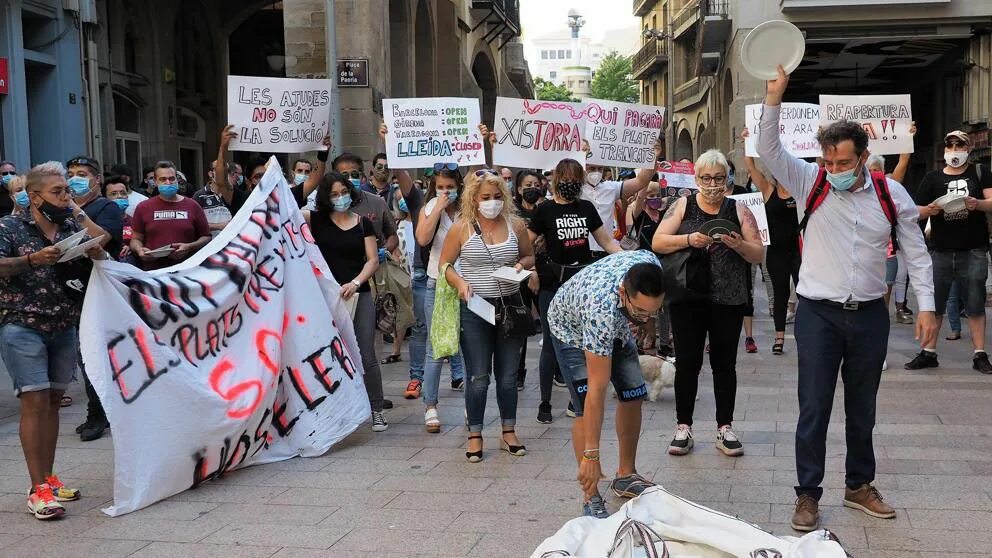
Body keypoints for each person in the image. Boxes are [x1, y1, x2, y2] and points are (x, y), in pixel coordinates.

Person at [758, 65, 937, 532]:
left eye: (842, 163)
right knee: (813, 406)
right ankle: (807, 494)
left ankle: (859, 484)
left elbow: (916, 251)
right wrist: (775, 97)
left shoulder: (889, 192)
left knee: (863, 407)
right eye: (827, 162)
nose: (833, 171)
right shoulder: (808, 184)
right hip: (818, 314)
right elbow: (768, 149)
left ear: (863, 158)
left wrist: (926, 306)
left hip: (870, 317)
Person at [0, 161, 110, 519]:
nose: (66, 196)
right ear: (34, 196)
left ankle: (48, 476)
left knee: (51, 401)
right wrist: (31, 260)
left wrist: (78, 218)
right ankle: (37, 490)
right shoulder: (9, 226)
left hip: (63, 323)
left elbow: (102, 240)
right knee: (33, 400)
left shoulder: (67, 225)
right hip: (22, 323)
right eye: (58, 192)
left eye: (67, 191)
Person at [653, 149, 765, 458]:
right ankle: (683, 427)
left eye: (718, 178)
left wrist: (739, 245)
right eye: (706, 178)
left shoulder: (738, 210)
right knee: (688, 362)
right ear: (696, 179)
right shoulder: (682, 205)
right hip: (688, 297)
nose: (712, 184)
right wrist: (688, 240)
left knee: (724, 363)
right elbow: (659, 241)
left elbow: (758, 254)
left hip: (728, 298)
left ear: (727, 179)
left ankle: (724, 427)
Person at [547, 250, 665, 518]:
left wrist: (639, 317)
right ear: (624, 292)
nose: (646, 318)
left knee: (634, 393)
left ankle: (626, 474)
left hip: (617, 326)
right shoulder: (600, 309)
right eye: (641, 311)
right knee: (584, 403)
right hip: (572, 330)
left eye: (654, 311)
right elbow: (597, 391)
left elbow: (641, 310)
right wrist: (592, 454)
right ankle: (591, 494)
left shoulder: (651, 266)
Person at [439, 168, 535, 460]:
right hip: (476, 309)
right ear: (473, 198)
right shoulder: (461, 227)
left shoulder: (515, 224)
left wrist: (522, 267)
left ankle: (508, 430)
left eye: (496, 196)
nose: (491, 202)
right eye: (485, 197)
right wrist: (460, 283)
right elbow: (445, 265)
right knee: (479, 376)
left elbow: (528, 255)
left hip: (510, 306)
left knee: (508, 376)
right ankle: (475, 433)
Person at [529, 159, 621, 424]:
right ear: (556, 180)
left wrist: (626, 257)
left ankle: (576, 397)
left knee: (581, 343)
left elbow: (605, 240)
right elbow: (527, 241)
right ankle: (545, 402)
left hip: (580, 284)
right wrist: (530, 268)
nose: (571, 185)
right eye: (567, 179)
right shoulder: (545, 210)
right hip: (552, 283)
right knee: (550, 344)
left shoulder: (586, 208)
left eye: (575, 180)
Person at [303, 171, 388, 432]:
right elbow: (285, 212)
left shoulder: (363, 223)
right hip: (324, 297)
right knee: (326, 353)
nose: (341, 198)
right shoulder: (314, 219)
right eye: (335, 194)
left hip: (357, 295)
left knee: (366, 353)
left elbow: (372, 260)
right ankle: (331, 411)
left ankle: (376, 409)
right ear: (326, 198)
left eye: (344, 193)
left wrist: (356, 283)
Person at [906, 130, 992, 373]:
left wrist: (978, 205)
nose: (955, 150)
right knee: (935, 302)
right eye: (951, 146)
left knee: (975, 301)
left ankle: (979, 353)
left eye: (959, 145)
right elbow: (915, 210)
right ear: (945, 150)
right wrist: (930, 210)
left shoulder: (980, 172)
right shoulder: (932, 178)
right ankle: (929, 352)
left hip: (973, 249)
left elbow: (991, 201)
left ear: (968, 149)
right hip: (940, 250)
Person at [414, 164, 467, 431]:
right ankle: (430, 405)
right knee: (435, 348)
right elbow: (422, 238)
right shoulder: (431, 207)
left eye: (450, 187)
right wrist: (437, 206)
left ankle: (473, 404)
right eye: (441, 187)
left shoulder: (468, 208)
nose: (446, 192)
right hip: (438, 282)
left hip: (469, 283)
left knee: (470, 346)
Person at [741, 130, 801, 355]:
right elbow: (751, 167)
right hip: (776, 252)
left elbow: (820, 166)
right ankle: (779, 338)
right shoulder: (768, 190)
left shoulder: (801, 190)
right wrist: (749, 141)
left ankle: (806, 335)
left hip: (799, 251)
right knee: (780, 293)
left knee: (805, 293)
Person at [867, 124, 916, 325]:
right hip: (865, 252)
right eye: (870, 170)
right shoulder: (851, 189)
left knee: (883, 297)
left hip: (887, 253)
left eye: (877, 170)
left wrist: (907, 137)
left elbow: (903, 162)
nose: (874, 174)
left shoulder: (890, 187)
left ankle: (880, 327)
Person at [130, 161, 212, 270]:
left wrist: (189, 247)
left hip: (187, 270)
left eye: (171, 178)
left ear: (177, 180)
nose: (168, 182)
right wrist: (139, 250)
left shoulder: (192, 205)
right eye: (163, 179)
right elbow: (135, 239)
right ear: (155, 181)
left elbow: (206, 237)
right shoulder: (143, 207)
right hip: (154, 272)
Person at [512, 169, 544, 389]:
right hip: (520, 273)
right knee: (521, 325)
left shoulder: (546, 210)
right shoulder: (511, 213)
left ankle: (557, 371)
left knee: (551, 321)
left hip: (545, 273)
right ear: (519, 188)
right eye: (528, 185)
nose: (532, 188)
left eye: (536, 184)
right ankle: (517, 372)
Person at [103, 176, 135, 262]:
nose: (119, 196)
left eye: (123, 193)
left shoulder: (134, 221)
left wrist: (131, 247)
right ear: (105, 199)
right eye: (113, 194)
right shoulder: (101, 222)